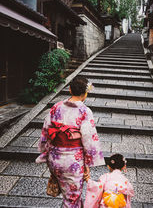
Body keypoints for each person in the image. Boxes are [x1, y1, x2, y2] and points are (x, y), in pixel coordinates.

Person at [37, 76, 105, 208]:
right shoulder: (84, 111)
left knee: (69, 195)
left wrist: (44, 150)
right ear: (85, 94)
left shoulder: (56, 107)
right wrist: (88, 163)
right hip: (72, 161)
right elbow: (90, 140)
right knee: (72, 199)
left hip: (54, 158)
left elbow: (46, 131)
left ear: (69, 89)